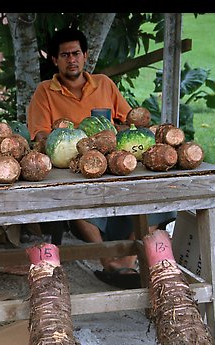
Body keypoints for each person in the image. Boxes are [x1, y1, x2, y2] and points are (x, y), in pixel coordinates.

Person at [27, 27, 175, 289]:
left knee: (159, 197)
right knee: (75, 198)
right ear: (54, 60)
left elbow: (130, 123)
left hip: (116, 163)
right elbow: (40, 135)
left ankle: (128, 261)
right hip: (74, 169)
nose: (71, 59)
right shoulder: (44, 92)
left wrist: (110, 135)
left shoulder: (105, 84)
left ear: (85, 56)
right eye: (64, 55)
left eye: (76, 53)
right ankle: (107, 260)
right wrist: (78, 140)